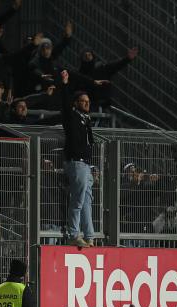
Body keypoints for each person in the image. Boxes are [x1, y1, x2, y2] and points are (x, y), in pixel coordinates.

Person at [58, 69, 95, 248]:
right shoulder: (72, 116)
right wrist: (64, 84)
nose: (86, 103)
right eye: (82, 101)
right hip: (77, 163)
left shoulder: (86, 119)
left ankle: (89, 235)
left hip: (86, 165)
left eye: (88, 101)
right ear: (75, 103)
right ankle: (73, 233)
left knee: (87, 200)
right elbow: (65, 103)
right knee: (78, 200)